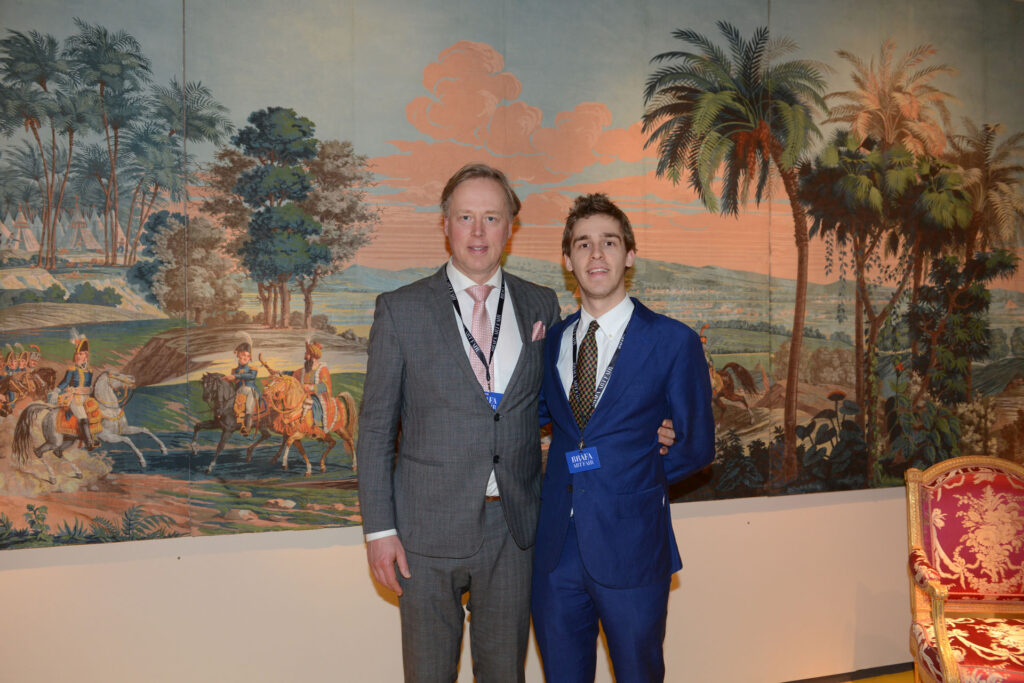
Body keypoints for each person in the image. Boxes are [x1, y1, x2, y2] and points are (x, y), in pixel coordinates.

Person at [357, 163, 562, 682]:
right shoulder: (400, 310)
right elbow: (376, 431)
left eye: (491, 217)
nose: (478, 231)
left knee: (505, 674)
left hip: (514, 531)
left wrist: (644, 428)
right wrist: (380, 531)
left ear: (510, 226)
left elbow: (563, 405)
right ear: (445, 223)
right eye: (465, 216)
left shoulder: (541, 303)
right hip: (424, 532)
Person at [531, 193, 715, 682]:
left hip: (633, 545)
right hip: (555, 551)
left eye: (609, 242)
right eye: (583, 244)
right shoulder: (552, 343)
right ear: (567, 260)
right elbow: (540, 419)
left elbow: (697, 445)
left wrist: (632, 470)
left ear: (629, 255)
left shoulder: (673, 341)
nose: (596, 254)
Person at [273, 339, 334, 431]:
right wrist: (279, 373)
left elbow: (325, 386)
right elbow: (292, 374)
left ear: (313, 356)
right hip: (303, 395)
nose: (305, 356)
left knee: (314, 405)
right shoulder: (303, 370)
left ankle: (317, 427)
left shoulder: (322, 369)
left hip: (317, 396)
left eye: (306, 353)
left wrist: (311, 387)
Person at [53, 330, 97, 450]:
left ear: (86, 356)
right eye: (77, 354)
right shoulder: (72, 369)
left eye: (81, 354)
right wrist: (56, 390)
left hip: (86, 397)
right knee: (83, 417)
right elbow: (65, 382)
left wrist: (89, 390)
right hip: (74, 399)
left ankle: (94, 436)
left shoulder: (90, 371)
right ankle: (89, 443)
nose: (78, 356)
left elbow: (89, 386)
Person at [226, 341, 259, 434]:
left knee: (249, 393)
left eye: (248, 356)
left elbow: (251, 376)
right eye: (243, 355)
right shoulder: (234, 370)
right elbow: (234, 382)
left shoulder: (253, 369)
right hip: (238, 391)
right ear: (238, 355)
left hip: (251, 390)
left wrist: (236, 376)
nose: (245, 358)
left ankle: (247, 426)